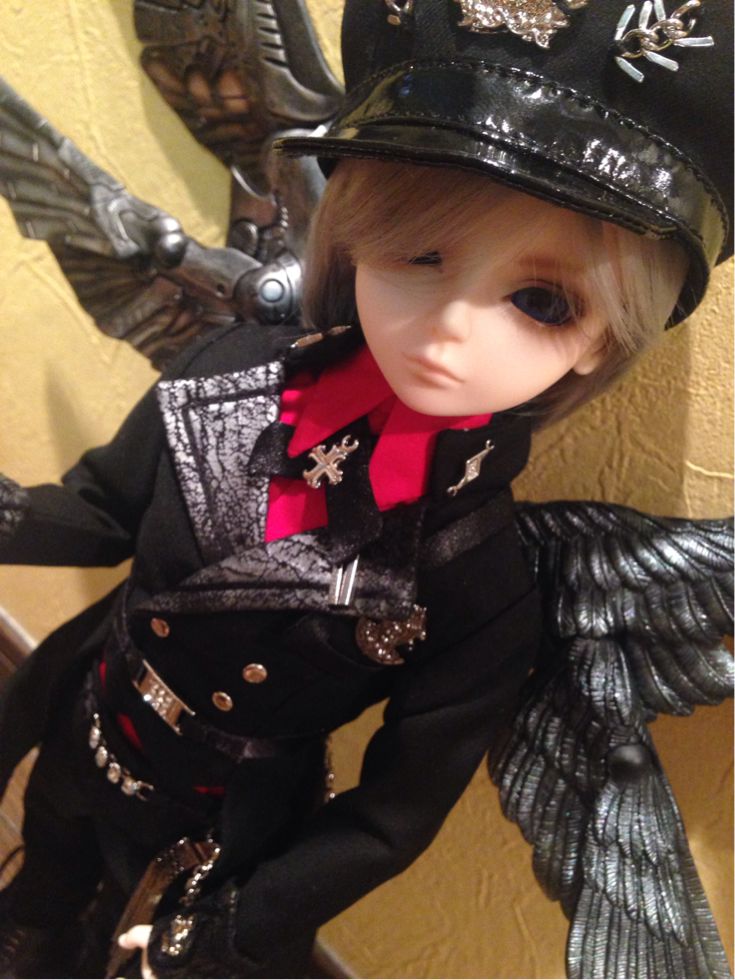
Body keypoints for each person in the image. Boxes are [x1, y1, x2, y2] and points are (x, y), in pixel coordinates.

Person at [0, 1, 731, 978]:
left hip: (219, 820)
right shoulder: (237, 365)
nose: (449, 327)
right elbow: (100, 509)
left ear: (604, 342)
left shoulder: (475, 581)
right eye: (418, 253)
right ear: (353, 236)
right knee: (43, 876)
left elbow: (395, 811)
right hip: (90, 707)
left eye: (541, 301)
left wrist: (243, 921)